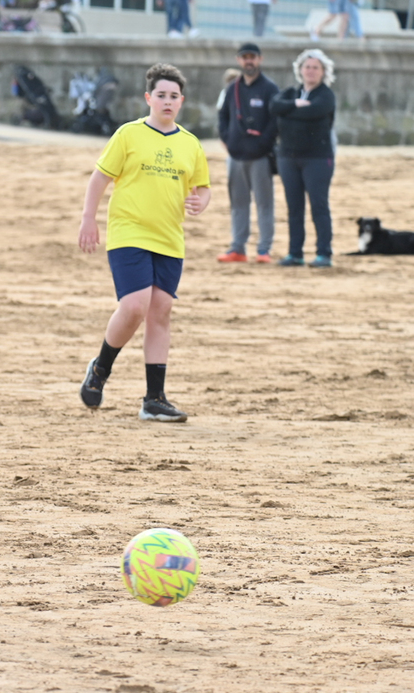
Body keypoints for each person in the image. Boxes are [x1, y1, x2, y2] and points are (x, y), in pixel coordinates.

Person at [77, 63, 211, 423]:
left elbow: (203, 187)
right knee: (135, 306)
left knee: (160, 310)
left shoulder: (190, 143)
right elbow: (99, 178)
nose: (167, 101)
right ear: (148, 98)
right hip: (129, 232)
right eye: (161, 95)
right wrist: (88, 218)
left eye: (174, 96)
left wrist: (201, 201)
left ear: (181, 101)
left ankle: (154, 399)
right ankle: (100, 369)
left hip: (169, 237)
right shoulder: (129, 134)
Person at [271, 48, 337, 268]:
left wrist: (288, 113)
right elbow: (274, 106)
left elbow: (314, 112)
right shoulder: (291, 93)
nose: (311, 71)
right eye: (307, 66)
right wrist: (294, 105)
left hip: (317, 158)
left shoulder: (326, 95)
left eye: (315, 67)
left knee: (319, 205)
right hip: (288, 158)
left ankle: (324, 253)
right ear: (299, 69)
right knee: (294, 208)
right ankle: (295, 253)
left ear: (323, 71)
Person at [217, 42, 279, 264]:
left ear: (260, 59)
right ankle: (238, 248)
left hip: (260, 157)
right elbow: (222, 117)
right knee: (238, 204)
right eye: (245, 57)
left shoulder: (270, 89)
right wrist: (228, 140)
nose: (249, 61)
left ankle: (264, 250)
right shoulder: (231, 89)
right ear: (239, 60)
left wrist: (263, 143)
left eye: (252, 57)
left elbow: (275, 121)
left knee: (264, 204)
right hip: (236, 156)